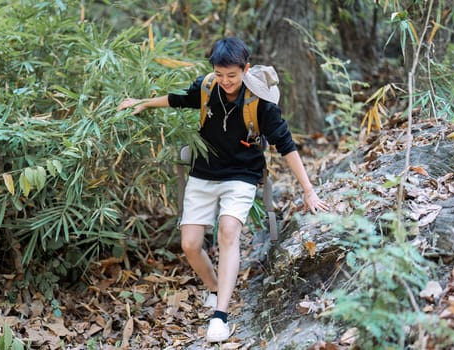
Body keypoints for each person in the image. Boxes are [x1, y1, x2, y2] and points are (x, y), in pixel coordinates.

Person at [117, 37, 328, 343]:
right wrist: (142, 103)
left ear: (246, 69)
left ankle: (221, 315)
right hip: (203, 173)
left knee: (228, 232)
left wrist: (309, 190)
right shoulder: (206, 88)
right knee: (190, 244)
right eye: (220, 74)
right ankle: (217, 289)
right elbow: (178, 99)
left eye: (232, 75)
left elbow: (286, 145)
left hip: (242, 175)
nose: (226, 82)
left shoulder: (261, 101)